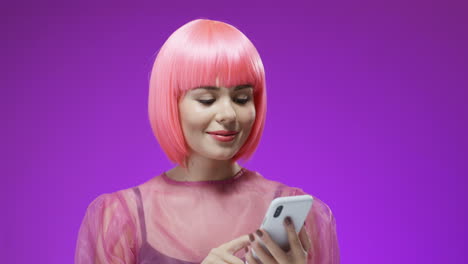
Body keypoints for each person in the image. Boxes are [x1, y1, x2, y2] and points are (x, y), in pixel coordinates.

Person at [75, 19, 340, 264]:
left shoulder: (305, 219)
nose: (228, 115)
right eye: (207, 100)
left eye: (241, 98)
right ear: (170, 103)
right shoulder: (119, 218)